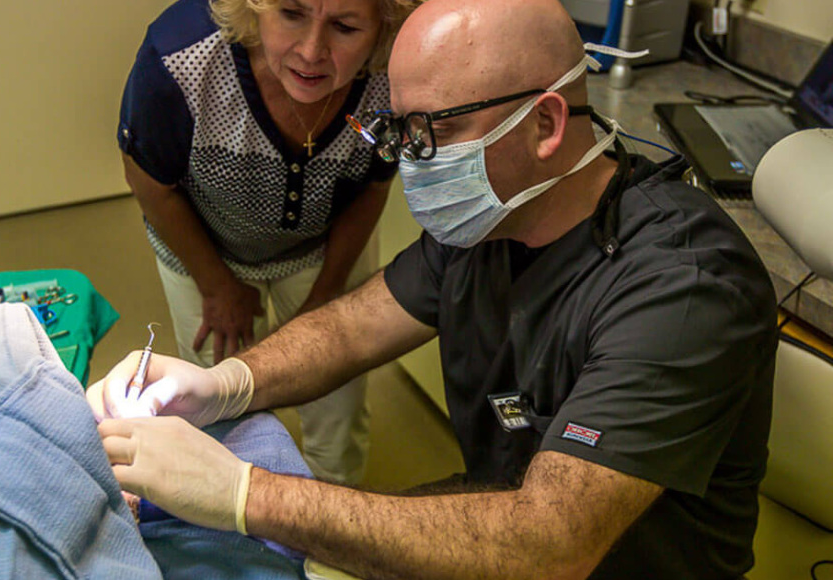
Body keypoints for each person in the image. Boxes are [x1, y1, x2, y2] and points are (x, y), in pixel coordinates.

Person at [89, 0, 780, 577]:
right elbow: (352, 327)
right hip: (503, 516)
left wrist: (245, 494)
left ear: (544, 124)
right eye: (400, 130)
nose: (410, 161)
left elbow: (550, 544)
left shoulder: (682, 287)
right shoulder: (488, 225)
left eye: (435, 130)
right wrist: (226, 384)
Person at [117, 0, 420, 485]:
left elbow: (373, 186)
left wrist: (328, 295)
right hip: (203, 247)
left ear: (382, 30)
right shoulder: (178, 59)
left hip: (326, 245)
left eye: (344, 27)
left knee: (337, 409)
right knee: (215, 403)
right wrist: (216, 287)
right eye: (291, 14)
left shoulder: (396, 74)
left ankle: (331, 511)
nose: (311, 51)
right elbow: (149, 182)